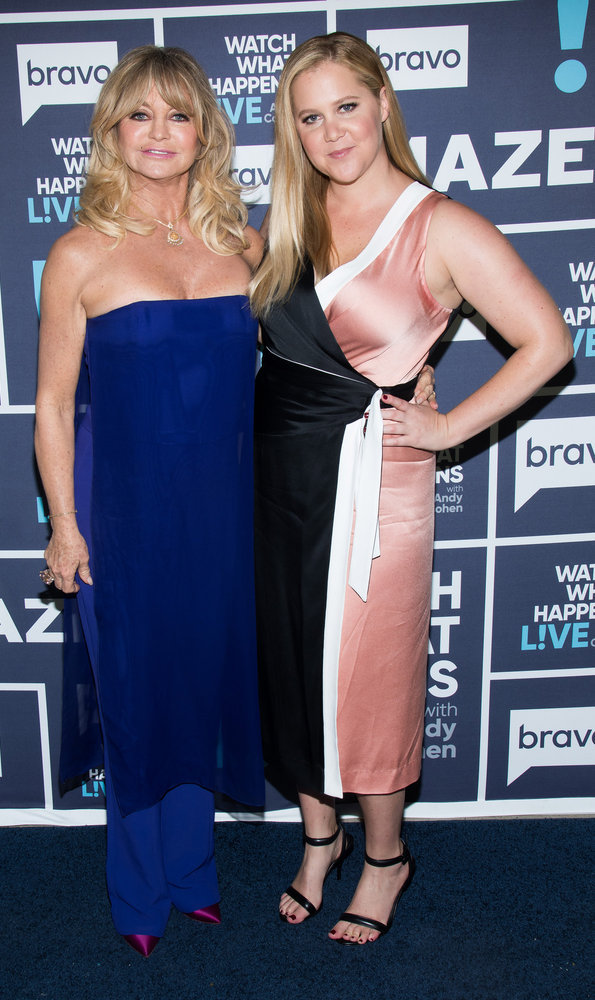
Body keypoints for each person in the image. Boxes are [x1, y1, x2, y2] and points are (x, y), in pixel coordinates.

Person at [249, 32, 573, 946]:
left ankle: (386, 857)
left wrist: (445, 426)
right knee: (292, 665)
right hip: (278, 479)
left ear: (383, 103)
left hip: (374, 486)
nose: (331, 132)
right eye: (309, 117)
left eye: (346, 107)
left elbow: (548, 343)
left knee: (372, 678)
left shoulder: (442, 225)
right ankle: (320, 839)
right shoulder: (289, 216)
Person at [34, 45, 267, 957]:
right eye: (139, 114)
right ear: (112, 132)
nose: (159, 133)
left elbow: (317, 350)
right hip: (120, 509)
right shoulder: (79, 252)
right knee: (134, 696)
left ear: (204, 131)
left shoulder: (245, 244)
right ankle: (138, 892)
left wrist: (414, 378)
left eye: (178, 114)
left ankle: (193, 873)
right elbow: (53, 403)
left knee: (200, 685)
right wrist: (65, 525)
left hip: (221, 512)